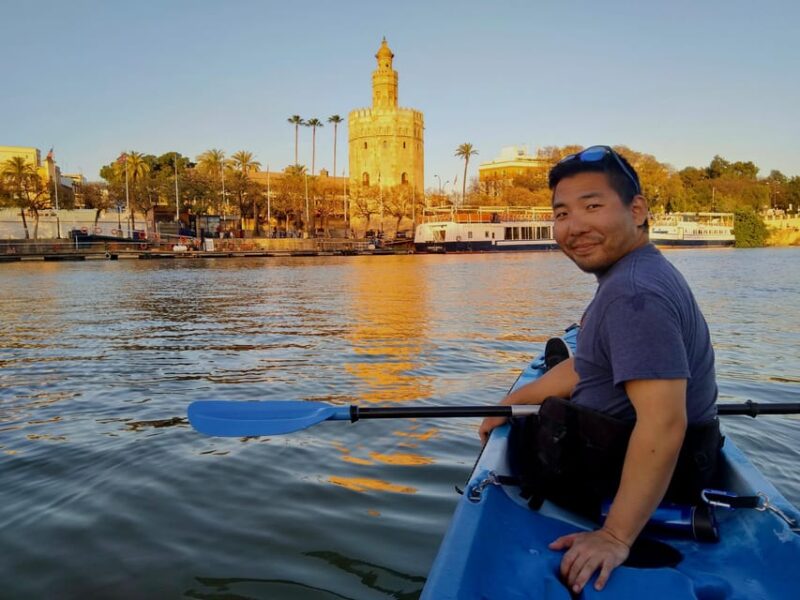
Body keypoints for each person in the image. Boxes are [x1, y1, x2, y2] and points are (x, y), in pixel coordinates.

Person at [478, 145, 720, 594]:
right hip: (671, 456)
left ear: (638, 209)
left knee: (543, 424)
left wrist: (615, 536)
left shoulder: (632, 294)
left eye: (593, 206)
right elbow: (585, 370)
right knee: (550, 390)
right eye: (562, 213)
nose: (574, 227)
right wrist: (509, 402)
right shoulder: (639, 273)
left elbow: (664, 422)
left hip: (615, 471)